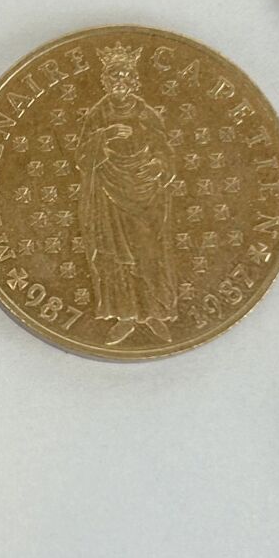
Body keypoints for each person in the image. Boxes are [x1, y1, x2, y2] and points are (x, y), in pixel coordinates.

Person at [77, 44, 179, 346]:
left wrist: (158, 166)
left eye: (124, 77)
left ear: (133, 81)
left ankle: (155, 313)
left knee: (148, 252)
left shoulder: (147, 114)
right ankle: (125, 316)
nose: (119, 82)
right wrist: (104, 136)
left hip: (146, 194)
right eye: (114, 77)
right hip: (109, 193)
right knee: (116, 256)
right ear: (106, 82)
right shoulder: (98, 115)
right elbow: (82, 157)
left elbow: (165, 151)